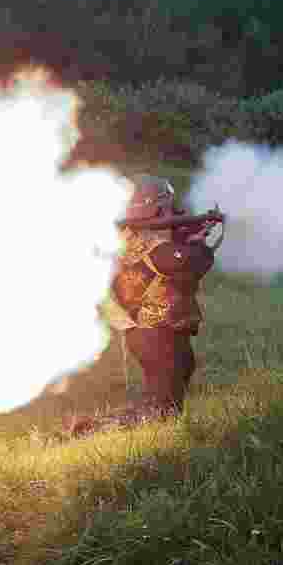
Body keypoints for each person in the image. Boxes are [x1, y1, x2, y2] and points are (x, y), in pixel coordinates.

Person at [105, 174, 222, 420]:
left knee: (175, 383)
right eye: (167, 206)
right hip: (154, 333)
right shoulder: (153, 246)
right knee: (161, 411)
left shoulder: (132, 237)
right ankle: (91, 429)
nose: (175, 210)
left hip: (159, 330)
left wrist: (189, 237)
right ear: (154, 208)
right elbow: (190, 262)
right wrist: (201, 242)